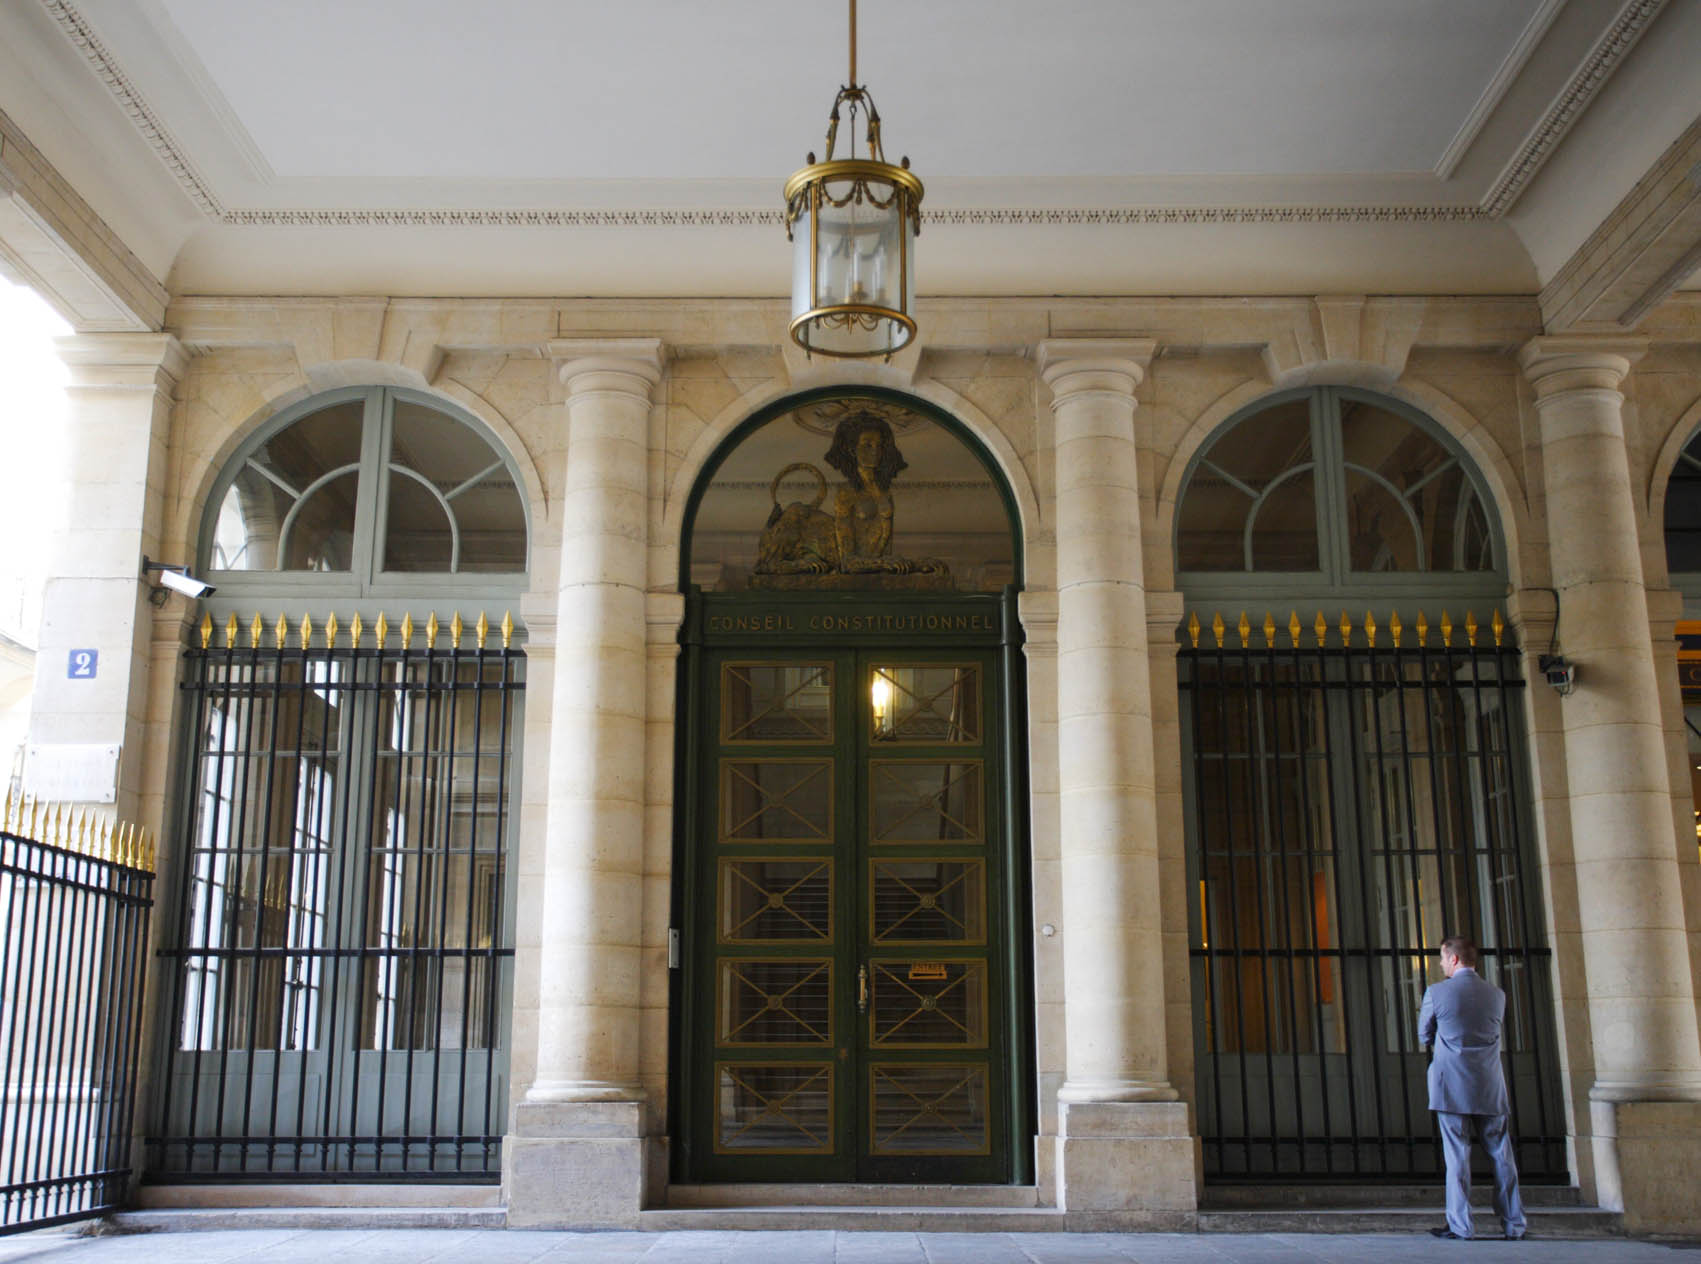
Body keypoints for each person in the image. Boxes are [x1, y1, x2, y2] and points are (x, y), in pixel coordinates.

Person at [1417, 935, 1527, 1241]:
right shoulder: (1496, 994)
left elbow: (1424, 1034)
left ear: (1453, 959)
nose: (1441, 964)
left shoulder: (1437, 992)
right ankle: (1514, 1223)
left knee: (1457, 1156)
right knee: (1501, 1155)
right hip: (1489, 1083)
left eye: (1442, 958)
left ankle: (1461, 1224)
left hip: (1451, 1085)